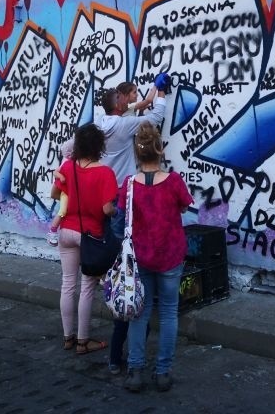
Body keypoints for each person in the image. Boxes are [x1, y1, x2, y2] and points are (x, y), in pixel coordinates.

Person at [100, 74, 171, 374]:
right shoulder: (125, 125)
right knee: (133, 262)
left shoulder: (101, 123)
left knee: (121, 261)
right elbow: (152, 118)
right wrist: (163, 94)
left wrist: (149, 93)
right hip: (125, 197)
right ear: (117, 102)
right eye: (123, 97)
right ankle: (136, 293)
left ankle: (116, 358)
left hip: (111, 199)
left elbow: (136, 107)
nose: (126, 99)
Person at [121, 122, 193, 393]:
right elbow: (185, 205)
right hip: (170, 255)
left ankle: (136, 371)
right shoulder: (173, 181)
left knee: (139, 315)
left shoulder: (129, 186)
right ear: (160, 150)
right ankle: (163, 372)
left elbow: (121, 217)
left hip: (141, 257)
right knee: (168, 313)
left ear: (137, 154)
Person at [51, 123, 117, 355]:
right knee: (88, 287)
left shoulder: (68, 167)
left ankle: (67, 337)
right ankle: (82, 341)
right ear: (99, 146)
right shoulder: (105, 173)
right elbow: (107, 209)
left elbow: (56, 193)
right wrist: (115, 212)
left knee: (68, 283)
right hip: (90, 235)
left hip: (66, 231)